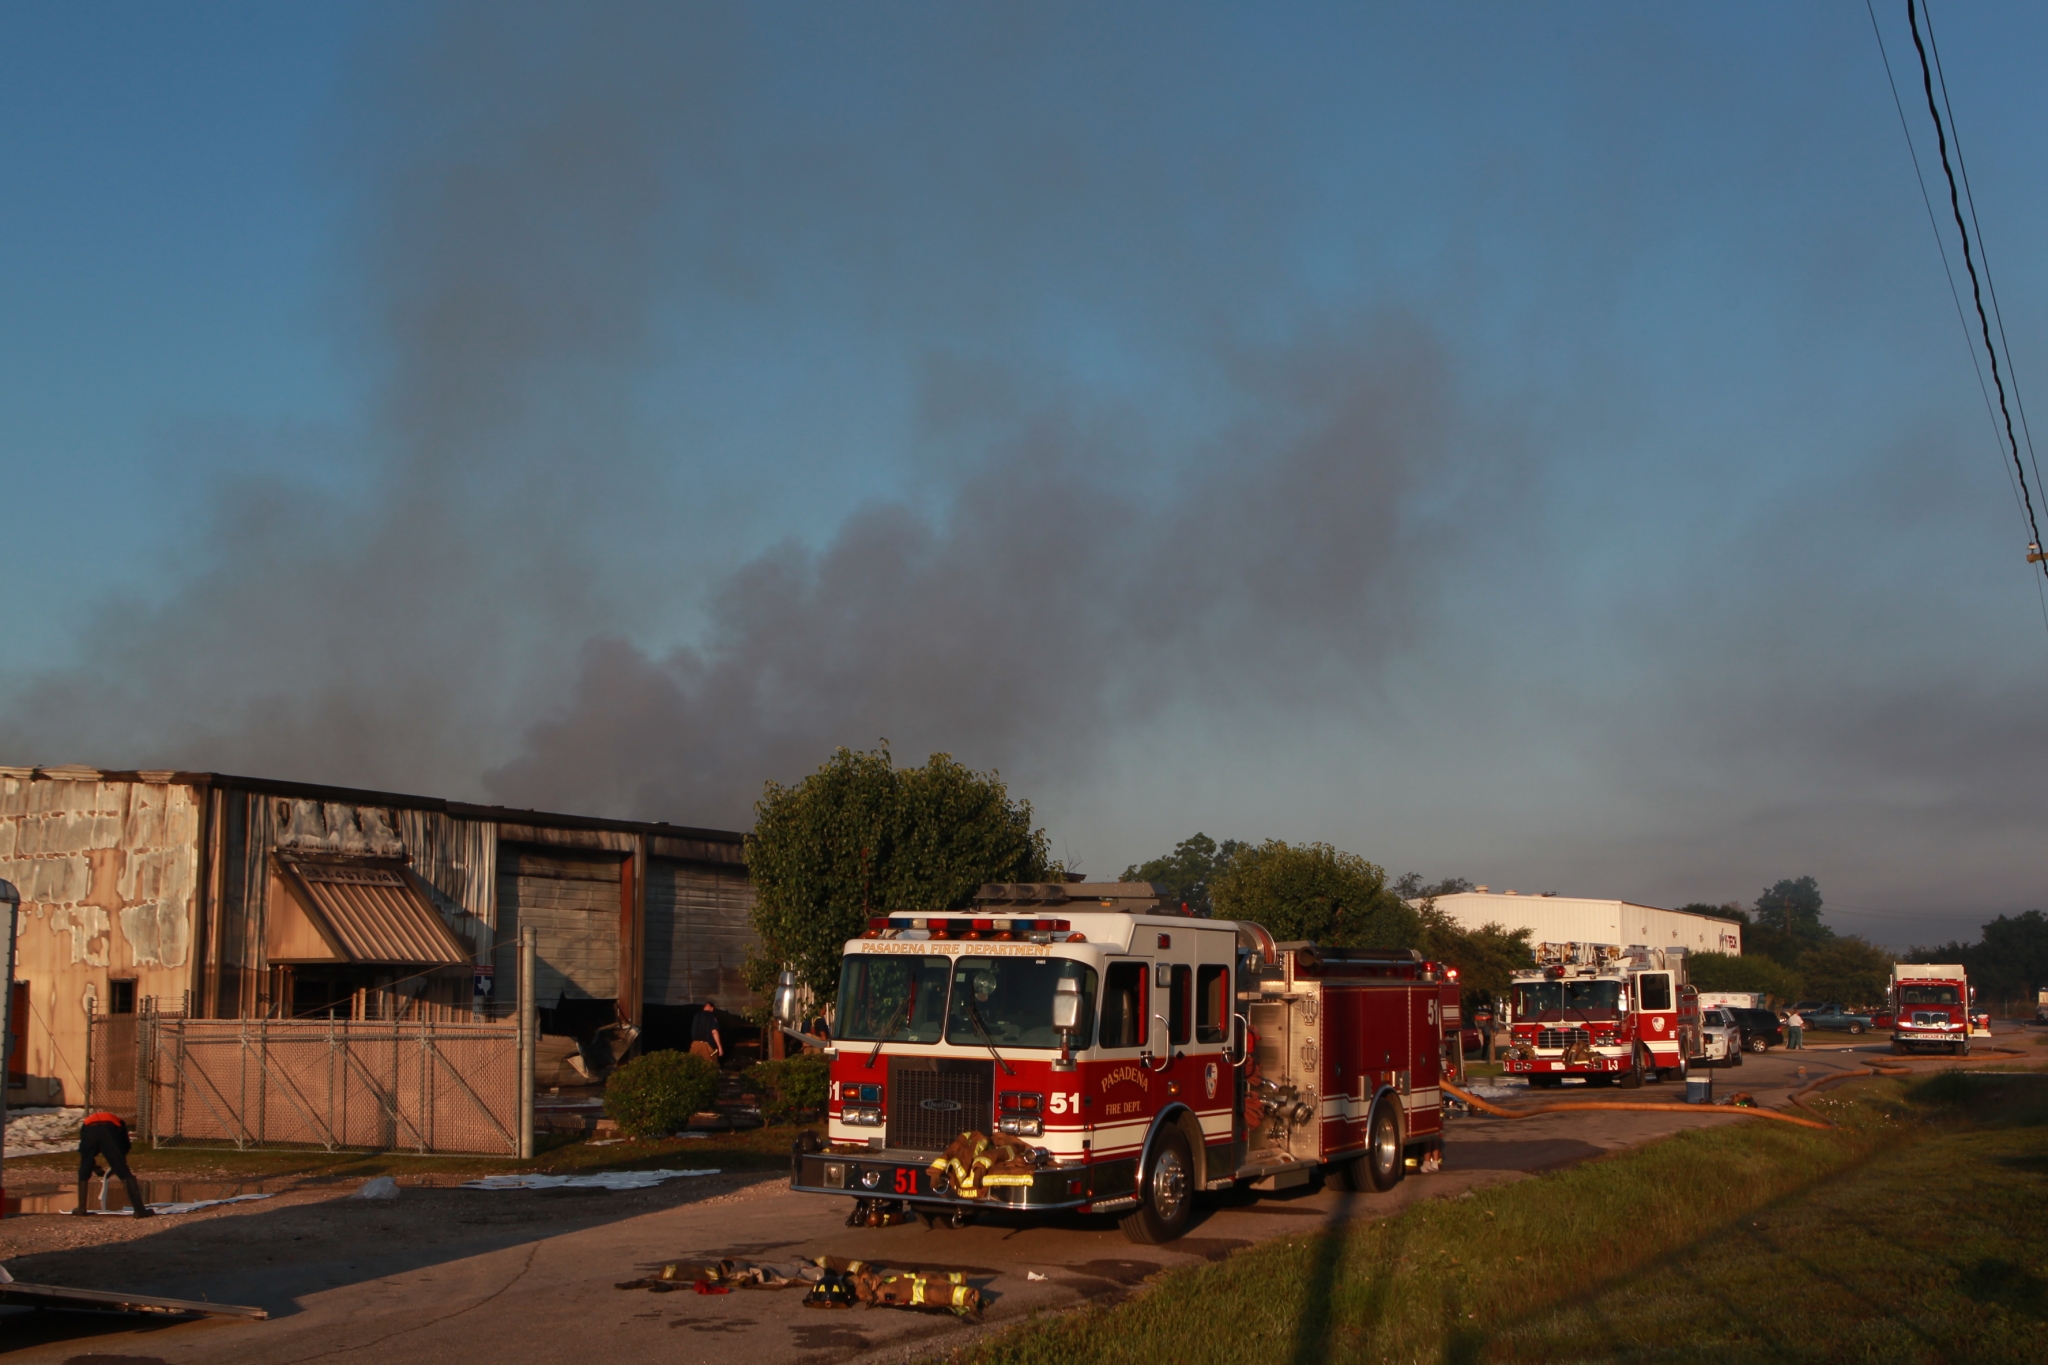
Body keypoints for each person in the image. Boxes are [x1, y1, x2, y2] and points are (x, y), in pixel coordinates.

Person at [76, 1110, 153, 1218]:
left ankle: (81, 1208)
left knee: (85, 1165)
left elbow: (84, 1153)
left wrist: (93, 1166)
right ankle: (139, 1210)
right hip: (110, 1129)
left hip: (90, 1130)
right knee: (123, 1171)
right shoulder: (119, 1122)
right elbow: (126, 1145)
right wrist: (117, 1164)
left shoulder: (86, 1123)